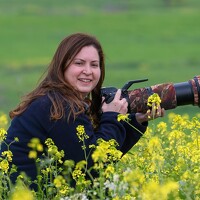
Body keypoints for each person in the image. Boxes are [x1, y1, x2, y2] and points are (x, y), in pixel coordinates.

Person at [1, 33, 164, 189]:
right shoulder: (56, 106)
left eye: (94, 65)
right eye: (79, 63)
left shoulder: (58, 100)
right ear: (62, 66)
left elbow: (103, 158)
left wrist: (135, 121)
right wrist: (112, 117)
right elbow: (92, 164)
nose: (88, 71)